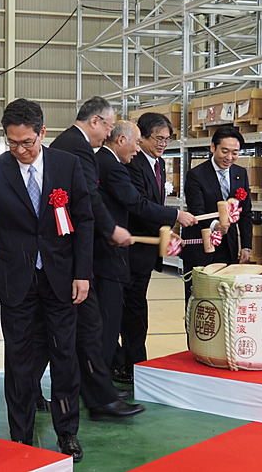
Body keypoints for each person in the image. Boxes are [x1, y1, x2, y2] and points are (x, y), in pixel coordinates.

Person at [0, 99, 93, 462]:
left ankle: (67, 432)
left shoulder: (67, 165)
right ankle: (22, 437)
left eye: (27, 142)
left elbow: (85, 220)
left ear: (42, 132)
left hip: (61, 278)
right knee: (20, 361)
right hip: (15, 279)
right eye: (12, 142)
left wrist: (82, 272)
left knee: (65, 356)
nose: (20, 150)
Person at [45, 96, 143, 420]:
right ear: (96, 121)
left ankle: (94, 396)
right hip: (72, 255)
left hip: (69, 253)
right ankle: (100, 401)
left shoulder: (71, 143)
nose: (109, 134)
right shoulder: (78, 147)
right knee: (89, 329)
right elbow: (87, 200)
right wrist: (111, 229)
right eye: (110, 126)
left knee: (71, 330)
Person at [96, 120, 190, 369]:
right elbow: (137, 205)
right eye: (158, 138)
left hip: (146, 252)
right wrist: (175, 216)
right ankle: (130, 364)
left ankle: (131, 364)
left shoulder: (158, 164)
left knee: (134, 310)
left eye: (167, 139)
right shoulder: (130, 163)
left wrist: (166, 232)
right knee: (129, 312)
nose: (162, 144)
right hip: (130, 251)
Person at [181, 125, 253, 305]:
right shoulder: (196, 175)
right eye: (225, 151)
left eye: (235, 153)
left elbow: (246, 212)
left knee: (225, 300)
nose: (229, 158)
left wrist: (246, 246)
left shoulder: (240, 173)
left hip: (227, 247)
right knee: (198, 301)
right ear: (213, 147)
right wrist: (216, 226)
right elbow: (197, 210)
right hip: (200, 247)